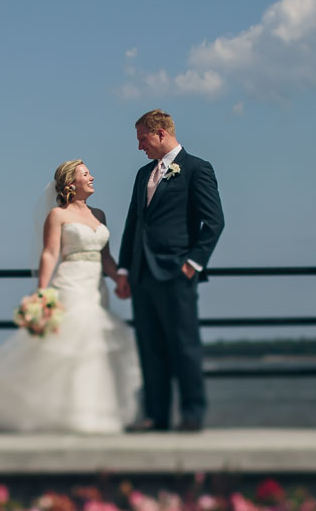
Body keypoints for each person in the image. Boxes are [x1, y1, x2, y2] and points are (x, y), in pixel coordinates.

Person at [0, 160, 142, 433]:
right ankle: (66, 415)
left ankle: (89, 414)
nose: (92, 177)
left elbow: (106, 257)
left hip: (96, 287)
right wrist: (42, 293)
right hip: (71, 284)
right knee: (72, 345)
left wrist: (120, 278)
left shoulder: (100, 214)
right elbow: (50, 253)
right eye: (85, 174)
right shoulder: (58, 215)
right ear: (70, 183)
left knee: (93, 348)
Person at [114, 109, 224, 432]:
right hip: (141, 275)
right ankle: (156, 417)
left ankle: (192, 414)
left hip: (177, 274)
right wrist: (123, 270)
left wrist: (192, 264)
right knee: (150, 348)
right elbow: (133, 225)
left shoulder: (197, 169)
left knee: (184, 345)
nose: (139, 147)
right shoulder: (141, 175)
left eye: (142, 139)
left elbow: (214, 223)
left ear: (161, 133)